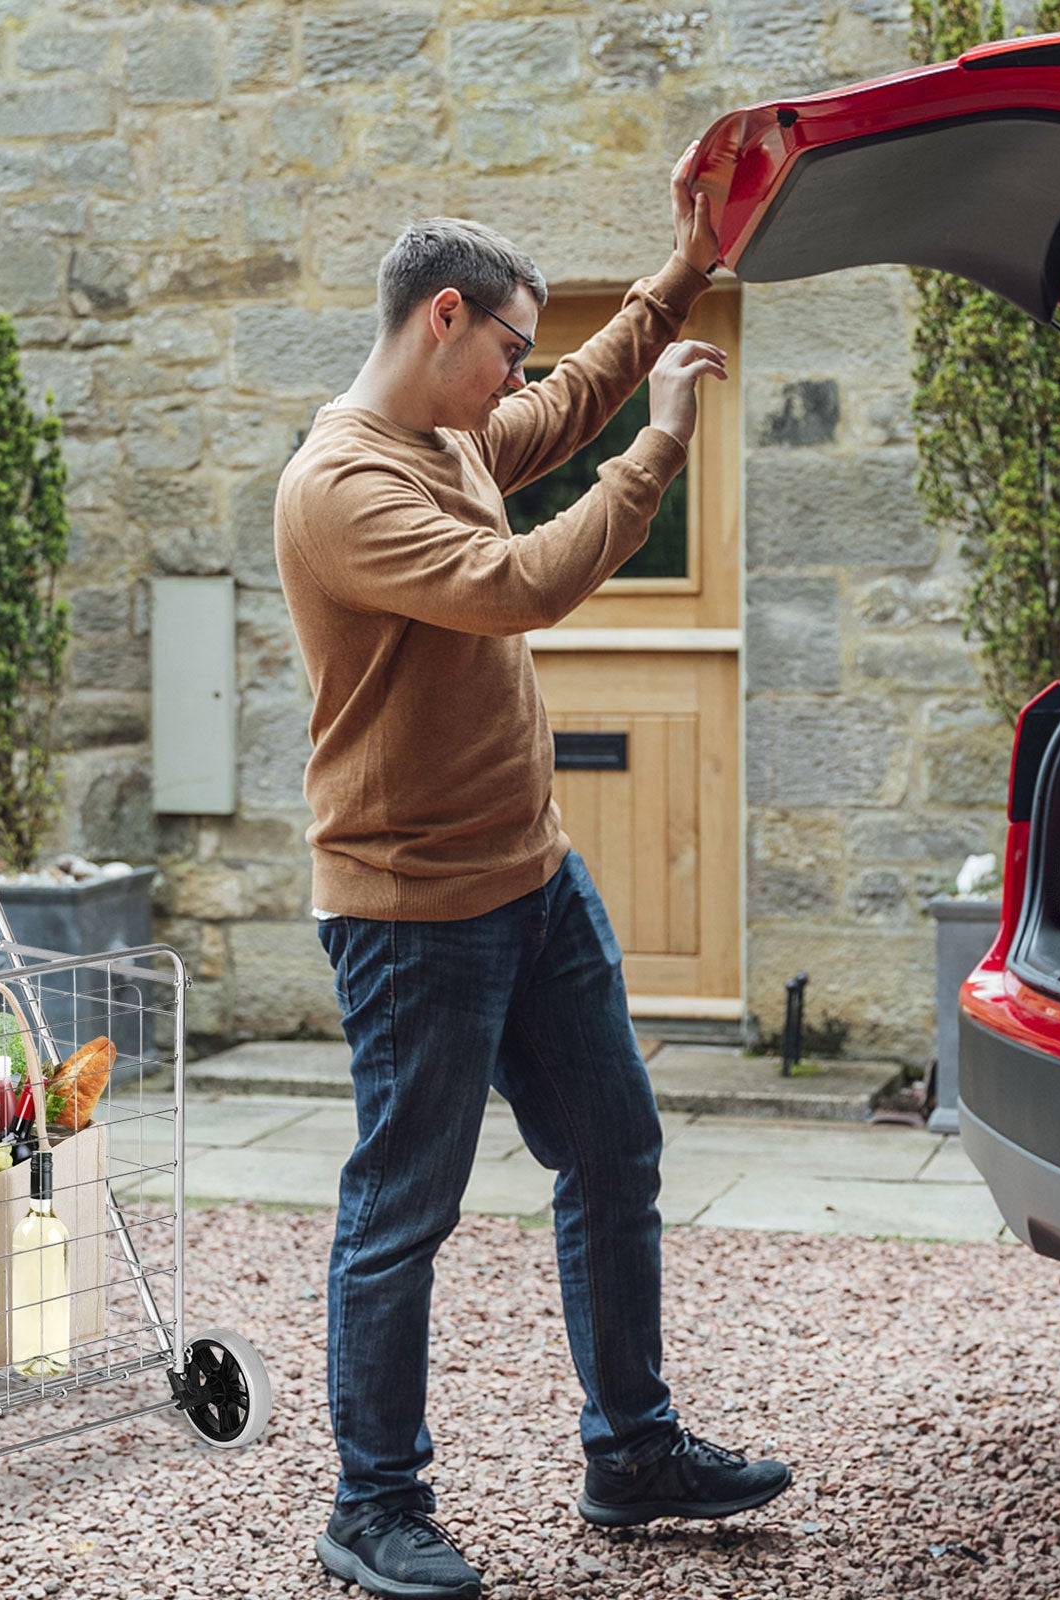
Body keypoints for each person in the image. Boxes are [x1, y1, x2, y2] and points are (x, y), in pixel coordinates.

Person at [273, 143, 791, 1600]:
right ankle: (372, 1505)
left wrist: (686, 270)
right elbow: (522, 588)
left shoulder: (447, 437)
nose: (520, 374)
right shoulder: (341, 486)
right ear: (442, 320)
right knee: (405, 1210)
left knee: (615, 1151)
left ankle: (632, 1452)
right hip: (411, 908)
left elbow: (565, 407)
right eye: (506, 342)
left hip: (530, 881)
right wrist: (670, 441)